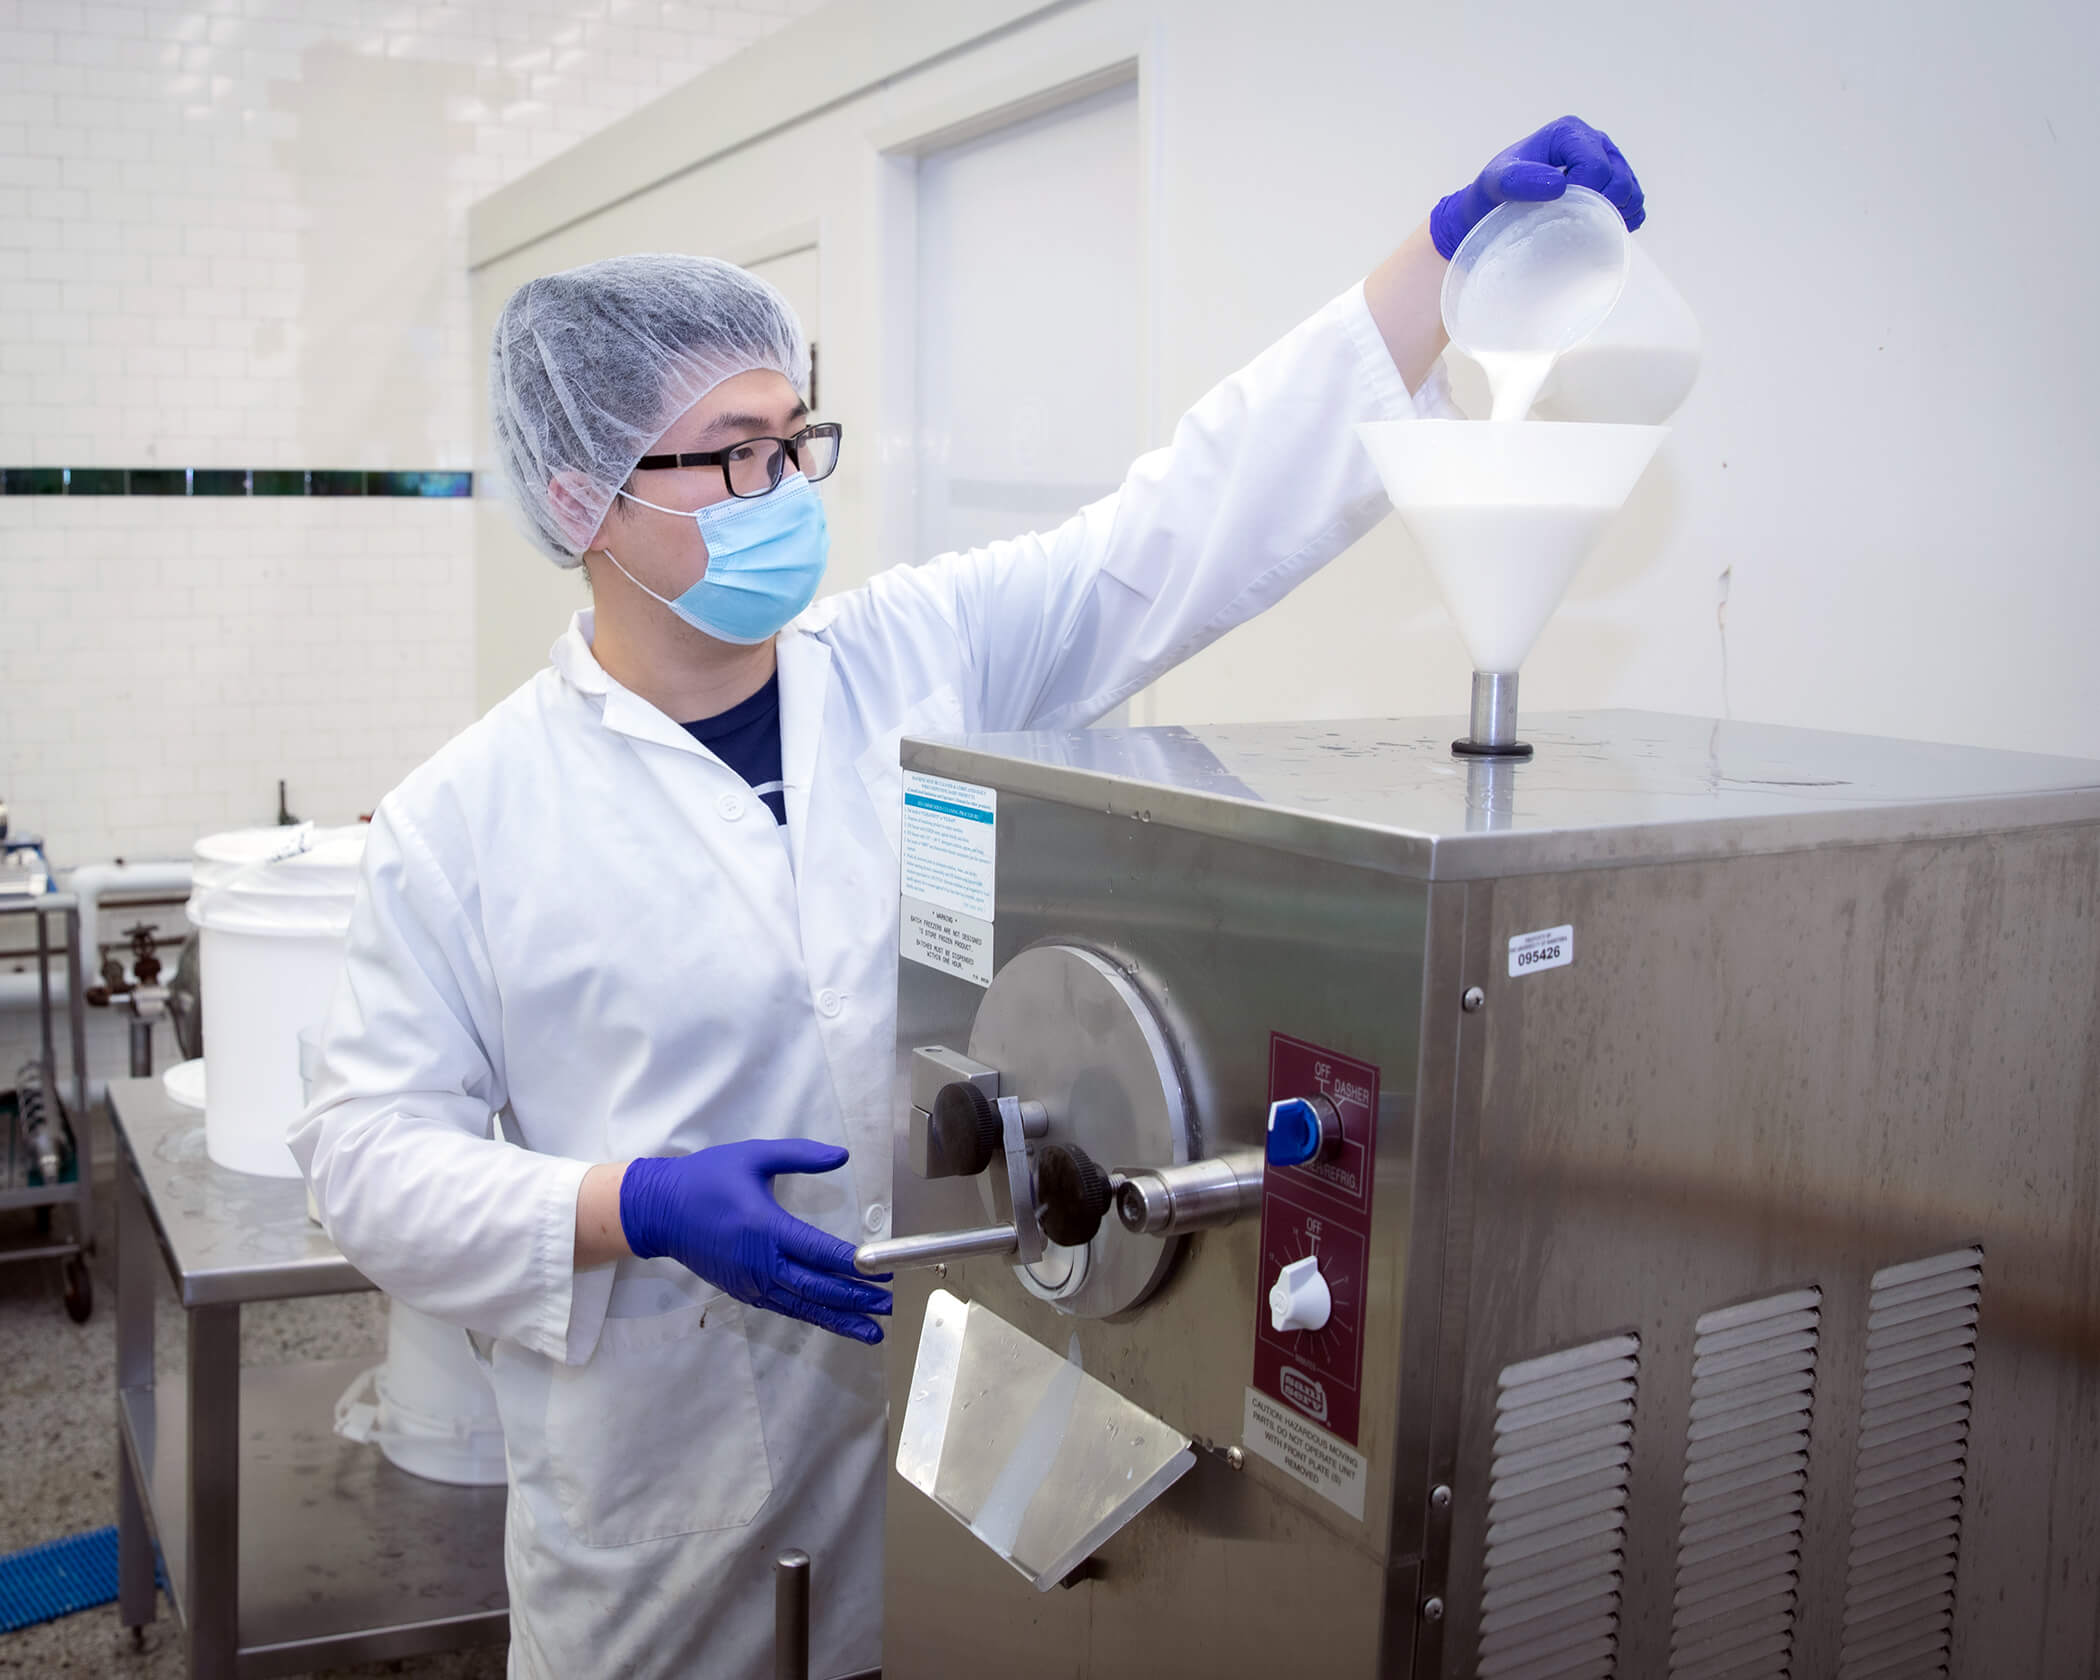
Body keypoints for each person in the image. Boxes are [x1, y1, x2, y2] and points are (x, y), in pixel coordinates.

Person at [291, 116, 1645, 1680]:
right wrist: (627, 1207)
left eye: (797, 439)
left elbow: (1170, 537)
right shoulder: (467, 820)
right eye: (733, 452)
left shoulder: (913, 661)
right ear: (585, 494)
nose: (783, 484)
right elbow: (367, 1161)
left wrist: (1437, 263)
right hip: (658, 1517)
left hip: (941, 1475)